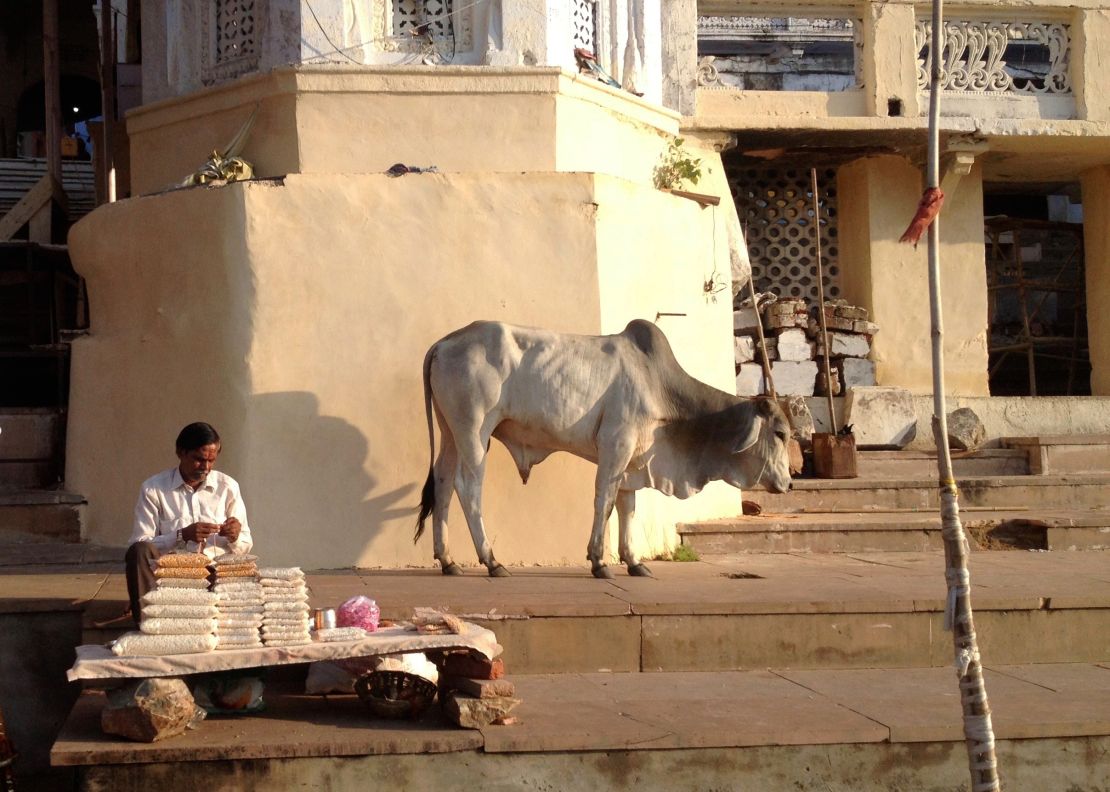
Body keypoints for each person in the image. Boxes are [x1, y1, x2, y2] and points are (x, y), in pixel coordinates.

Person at [125, 422, 253, 623]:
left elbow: (245, 545)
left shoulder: (228, 487)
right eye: (199, 460)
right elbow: (139, 542)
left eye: (212, 461)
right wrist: (181, 535)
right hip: (169, 574)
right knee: (138, 552)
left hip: (213, 573)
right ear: (180, 453)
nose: (206, 467)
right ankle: (148, 624)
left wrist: (235, 536)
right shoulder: (153, 489)